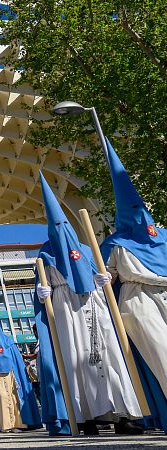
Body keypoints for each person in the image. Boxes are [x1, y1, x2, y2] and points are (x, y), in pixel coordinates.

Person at [35, 172, 144, 436]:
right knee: (75, 360)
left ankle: (123, 415)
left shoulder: (87, 249)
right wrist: (41, 292)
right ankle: (85, 417)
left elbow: (106, 274)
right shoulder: (45, 254)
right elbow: (40, 289)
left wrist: (104, 279)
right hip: (65, 309)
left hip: (94, 304)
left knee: (110, 358)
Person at [100, 140, 167, 432]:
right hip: (138, 301)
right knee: (162, 355)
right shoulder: (114, 244)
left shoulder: (163, 235)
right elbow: (103, 277)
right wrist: (102, 278)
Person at [0, 289, 41, 432]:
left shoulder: (8, 341)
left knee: (14, 398)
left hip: (10, 375)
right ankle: (3, 425)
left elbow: (17, 359)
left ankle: (19, 423)